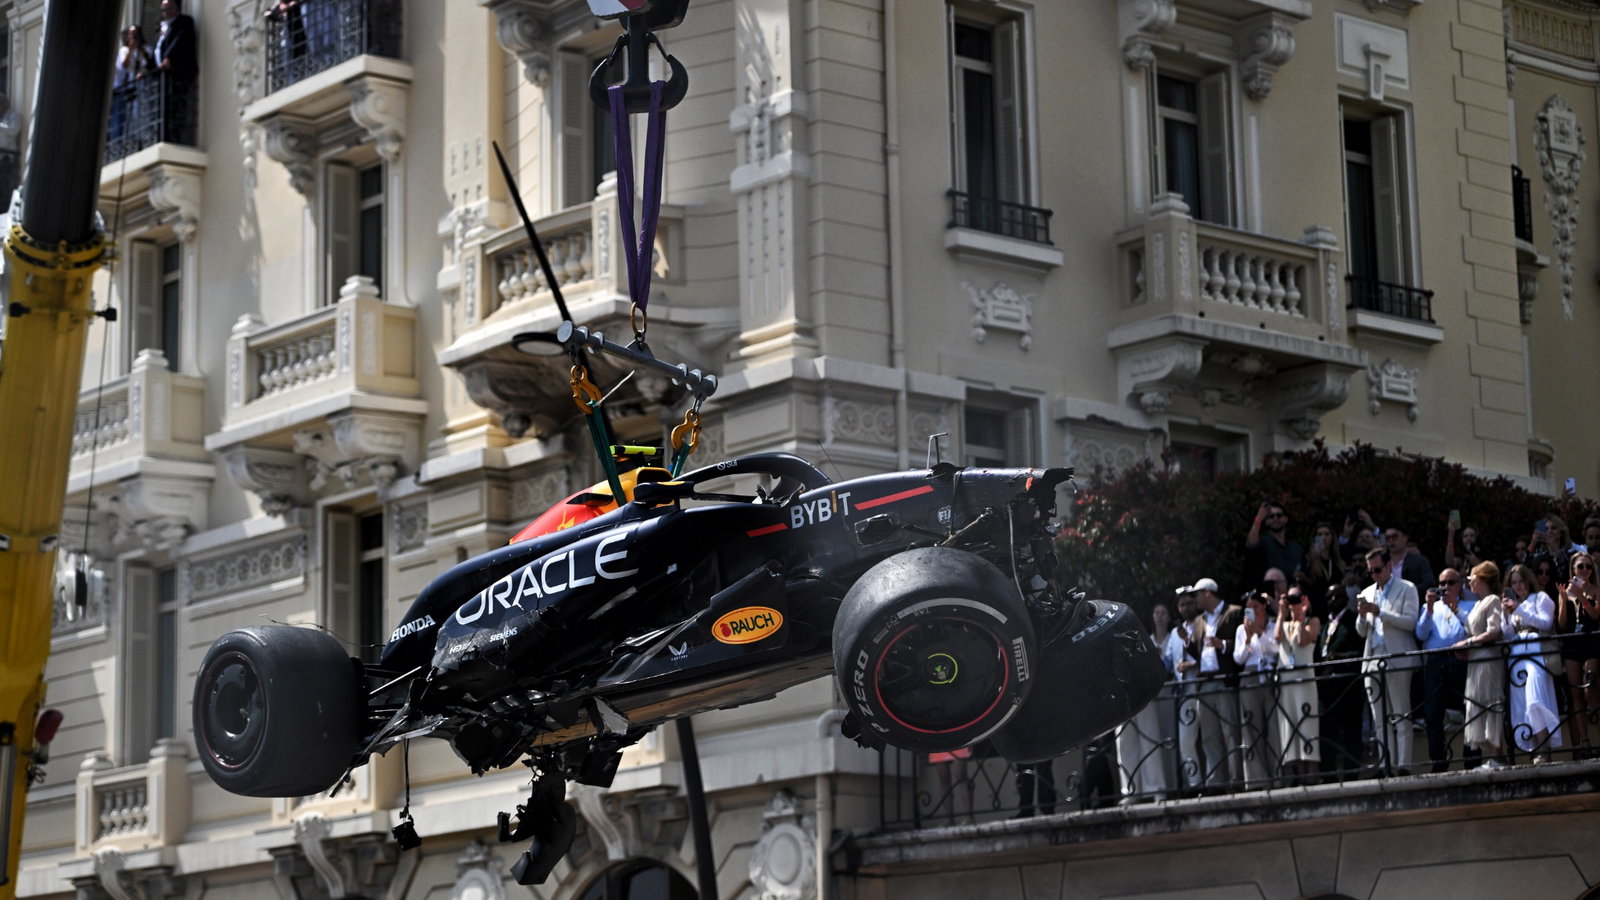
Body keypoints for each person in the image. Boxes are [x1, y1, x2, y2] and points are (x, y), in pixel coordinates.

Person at [1356, 547, 1420, 775]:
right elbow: (1362, 632)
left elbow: (1411, 622)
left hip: (1397, 656)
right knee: (1379, 719)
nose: (1374, 575)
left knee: (1401, 714)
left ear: (1389, 566)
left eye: (1378, 570)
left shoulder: (1407, 588)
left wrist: (1380, 612)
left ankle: (1403, 765)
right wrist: (1363, 616)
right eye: (1370, 571)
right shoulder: (1367, 591)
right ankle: (1386, 765)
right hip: (1373, 658)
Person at [1414, 568, 1477, 772]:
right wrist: (1430, 609)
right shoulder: (1429, 607)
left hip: (1461, 660)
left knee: (1469, 709)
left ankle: (1472, 758)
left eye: (1450, 583)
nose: (1445, 588)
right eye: (1442, 583)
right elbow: (1421, 634)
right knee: (1433, 714)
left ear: (1459, 585)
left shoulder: (1471, 605)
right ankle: (1438, 761)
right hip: (1435, 662)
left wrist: (1455, 607)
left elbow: (1473, 629)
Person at [1501, 563, 1563, 762]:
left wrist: (1519, 610)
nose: (1518, 586)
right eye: (1514, 583)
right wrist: (1505, 615)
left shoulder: (1541, 598)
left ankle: (1545, 749)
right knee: (1521, 701)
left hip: (1536, 651)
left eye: (1521, 581)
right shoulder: (1514, 604)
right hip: (1517, 655)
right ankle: (1535, 748)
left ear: (1529, 580)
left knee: (1535, 697)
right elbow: (1508, 634)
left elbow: (1546, 623)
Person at [1114, 602, 1172, 802]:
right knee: (1125, 744)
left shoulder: (1144, 642)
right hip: (1123, 700)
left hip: (1144, 697)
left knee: (1150, 741)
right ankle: (1130, 791)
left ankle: (1156, 788)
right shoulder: (1110, 646)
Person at [1189, 578, 1243, 787]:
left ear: (1208, 593)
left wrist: (1224, 645)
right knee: (1209, 736)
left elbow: (1242, 642)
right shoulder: (1199, 620)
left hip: (1224, 679)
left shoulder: (1234, 612)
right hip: (1206, 682)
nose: (1195, 599)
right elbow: (1199, 651)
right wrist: (1188, 643)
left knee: (1230, 731)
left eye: (1197, 594)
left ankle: (1236, 779)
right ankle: (1216, 782)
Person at [1456, 562, 1508, 768]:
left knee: (1490, 703)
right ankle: (1493, 756)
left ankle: (1498, 756)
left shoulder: (1493, 600)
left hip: (1488, 659)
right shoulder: (1478, 603)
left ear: (1483, 578)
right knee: (1477, 705)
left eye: (1472, 577)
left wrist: (1467, 642)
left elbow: (1494, 631)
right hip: (1476, 660)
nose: (1468, 580)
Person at [1318, 577, 1366, 774]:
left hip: (1349, 687)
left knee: (1351, 733)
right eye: (1329, 597)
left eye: (1337, 597)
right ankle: (1327, 774)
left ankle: (1352, 773)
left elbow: (1361, 653)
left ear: (1346, 599)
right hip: (1328, 689)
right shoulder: (1325, 624)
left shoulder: (1353, 620)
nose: (1332, 601)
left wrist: (1340, 657)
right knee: (1327, 732)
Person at [1556, 551, 1600, 758]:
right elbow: (1562, 623)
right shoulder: (1566, 589)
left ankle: (1595, 719)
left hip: (1591, 644)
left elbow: (1595, 614)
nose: (1584, 570)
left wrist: (1581, 595)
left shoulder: (1596, 590)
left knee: (1589, 685)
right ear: (1573, 568)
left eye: (1588, 567)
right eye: (1580, 566)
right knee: (1575, 696)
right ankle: (1584, 742)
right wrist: (1564, 600)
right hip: (1572, 645)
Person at [1274, 587, 1320, 782]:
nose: (1293, 603)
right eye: (1290, 599)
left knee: (1307, 724)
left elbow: (1303, 641)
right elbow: (1277, 637)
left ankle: (1312, 774)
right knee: (1291, 725)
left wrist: (1301, 614)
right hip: (1287, 682)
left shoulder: (1312, 621)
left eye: (1296, 598)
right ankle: (1299, 774)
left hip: (1304, 680)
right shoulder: (1284, 624)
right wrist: (1281, 613)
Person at [1232, 591, 1277, 787]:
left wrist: (1260, 633)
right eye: (1248, 609)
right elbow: (1238, 658)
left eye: (1256, 608)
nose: (1252, 613)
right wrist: (1248, 639)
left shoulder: (1274, 624)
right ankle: (1257, 779)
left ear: (1264, 607)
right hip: (1250, 677)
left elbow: (1275, 651)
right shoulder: (1241, 630)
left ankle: (1278, 776)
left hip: (1270, 677)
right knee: (1251, 728)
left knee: (1274, 727)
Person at [1169, 587, 1203, 792]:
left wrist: (1190, 665)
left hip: (1202, 686)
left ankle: (1218, 782)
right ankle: (1195, 784)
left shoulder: (1203, 624)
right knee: (1186, 741)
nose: (1186, 607)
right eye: (1182, 604)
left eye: (1189, 603)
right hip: (1183, 692)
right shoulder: (1175, 633)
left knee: (1210, 739)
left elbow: (1208, 656)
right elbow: (1168, 661)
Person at [153, 0, 198, 145]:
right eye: (163, 9)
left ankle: (175, 137)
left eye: (169, 8)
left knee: (177, 106)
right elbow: (156, 50)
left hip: (179, 72)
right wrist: (145, 69)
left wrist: (169, 58)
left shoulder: (184, 21)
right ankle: (163, 137)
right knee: (164, 108)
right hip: (164, 75)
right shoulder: (161, 28)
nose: (166, 11)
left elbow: (180, 40)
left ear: (177, 8)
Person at [1247, 502, 1304, 584]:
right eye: (1271, 516)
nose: (1275, 518)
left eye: (1279, 515)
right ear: (1266, 521)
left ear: (1286, 519)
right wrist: (1259, 518)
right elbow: (1251, 544)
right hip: (1267, 593)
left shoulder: (1296, 549)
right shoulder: (1263, 543)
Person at [1381, 525, 1436, 592]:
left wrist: (1407, 591)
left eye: (1395, 537)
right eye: (1388, 538)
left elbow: (1429, 584)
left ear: (1405, 537)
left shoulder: (1419, 561)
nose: (1391, 540)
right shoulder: (1382, 562)